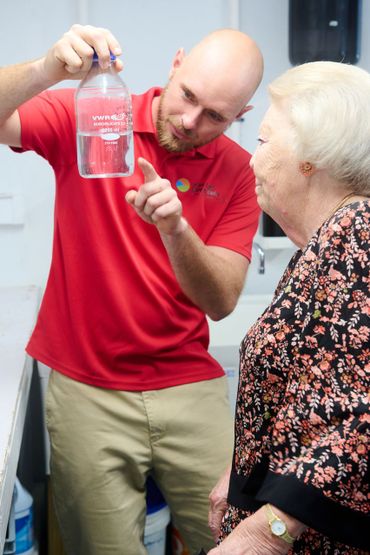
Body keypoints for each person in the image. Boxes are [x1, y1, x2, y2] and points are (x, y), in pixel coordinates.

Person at [0, 24, 264, 554]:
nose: (191, 122)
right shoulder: (95, 115)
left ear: (240, 117)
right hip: (88, 387)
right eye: (188, 96)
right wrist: (47, 69)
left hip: (189, 385)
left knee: (242, 538)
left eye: (215, 115)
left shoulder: (240, 173)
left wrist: (178, 230)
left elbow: (221, 301)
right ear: (176, 62)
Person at [207, 60, 370, 555]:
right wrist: (238, 470)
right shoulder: (322, 244)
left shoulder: (356, 235)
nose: (250, 161)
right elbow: (308, 395)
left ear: (309, 158)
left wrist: (265, 534)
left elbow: (360, 420)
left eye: (262, 142)